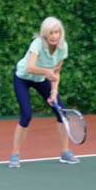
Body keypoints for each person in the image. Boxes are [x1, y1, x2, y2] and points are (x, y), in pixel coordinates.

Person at [9, 16, 80, 168]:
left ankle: (65, 152)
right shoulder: (38, 44)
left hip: (42, 79)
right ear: (45, 34)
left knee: (61, 112)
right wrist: (47, 72)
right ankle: (15, 155)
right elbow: (30, 67)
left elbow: (57, 72)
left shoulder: (63, 47)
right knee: (26, 115)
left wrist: (54, 92)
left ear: (61, 34)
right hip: (22, 77)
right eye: (51, 33)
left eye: (57, 32)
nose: (54, 36)